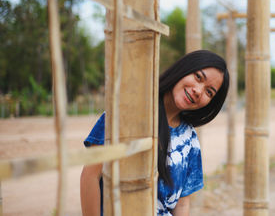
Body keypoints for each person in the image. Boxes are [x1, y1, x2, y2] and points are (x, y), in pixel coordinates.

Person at [80, 50, 230, 216]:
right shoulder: (127, 111)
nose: (198, 91)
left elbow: (182, 204)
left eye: (209, 92)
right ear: (183, 69)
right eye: (198, 77)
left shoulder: (190, 139)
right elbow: (90, 176)